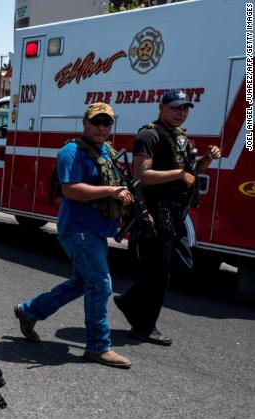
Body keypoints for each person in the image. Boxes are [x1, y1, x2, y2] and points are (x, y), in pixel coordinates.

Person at [13, 102, 134, 369]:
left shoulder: (108, 151)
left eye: (107, 123)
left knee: (82, 282)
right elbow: (70, 190)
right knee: (101, 285)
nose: (101, 128)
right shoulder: (71, 151)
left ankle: (29, 311)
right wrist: (111, 192)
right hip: (79, 230)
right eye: (96, 122)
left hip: (97, 230)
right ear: (85, 123)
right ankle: (98, 347)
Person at [113, 89, 221, 346]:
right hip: (155, 211)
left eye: (184, 109)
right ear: (161, 107)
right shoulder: (149, 135)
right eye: (175, 108)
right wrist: (177, 174)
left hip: (176, 212)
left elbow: (191, 171)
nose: (180, 113)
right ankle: (144, 327)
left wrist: (207, 158)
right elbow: (143, 174)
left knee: (178, 265)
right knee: (160, 274)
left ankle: (129, 300)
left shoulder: (180, 136)